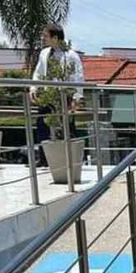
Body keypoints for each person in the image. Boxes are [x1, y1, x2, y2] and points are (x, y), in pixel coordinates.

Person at [30, 23, 85, 166]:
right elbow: (39, 72)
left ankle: (70, 159)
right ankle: (44, 159)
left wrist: (76, 97)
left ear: (55, 37)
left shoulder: (71, 55)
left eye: (46, 36)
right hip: (48, 96)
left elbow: (78, 76)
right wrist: (34, 88)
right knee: (43, 126)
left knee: (66, 127)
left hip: (64, 96)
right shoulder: (44, 53)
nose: (44, 39)